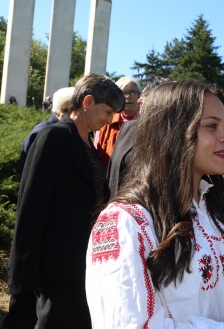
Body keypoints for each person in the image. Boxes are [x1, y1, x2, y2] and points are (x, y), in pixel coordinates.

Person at [85, 80, 224, 328]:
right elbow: (125, 324)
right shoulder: (123, 224)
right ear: (172, 131)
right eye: (212, 126)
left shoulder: (220, 210)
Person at [6, 73, 124, 329]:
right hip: (54, 269)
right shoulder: (54, 136)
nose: (109, 119)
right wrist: (23, 276)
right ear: (88, 102)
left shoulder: (88, 145)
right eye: (107, 111)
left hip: (80, 267)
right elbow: (32, 207)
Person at [106, 77, 171, 198]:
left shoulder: (173, 136)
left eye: (145, 96)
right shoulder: (128, 128)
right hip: (116, 206)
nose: (139, 100)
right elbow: (112, 172)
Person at [18, 86, 74, 175]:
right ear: (56, 112)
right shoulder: (46, 131)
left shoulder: (71, 131)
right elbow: (31, 171)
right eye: (67, 110)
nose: (72, 114)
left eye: (76, 109)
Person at [94, 76, 141, 169]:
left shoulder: (144, 122)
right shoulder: (106, 122)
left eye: (132, 92)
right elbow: (96, 151)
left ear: (139, 96)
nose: (128, 96)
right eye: (123, 93)